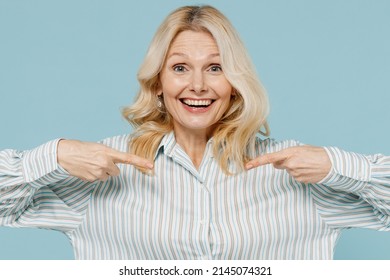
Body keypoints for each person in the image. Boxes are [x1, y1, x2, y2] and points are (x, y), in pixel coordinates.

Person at [0, 5, 389, 260]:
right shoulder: (104, 170)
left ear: (235, 83)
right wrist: (54, 156)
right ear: (157, 83)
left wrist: (339, 166)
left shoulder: (298, 172)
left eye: (216, 68)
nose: (198, 85)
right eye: (180, 68)